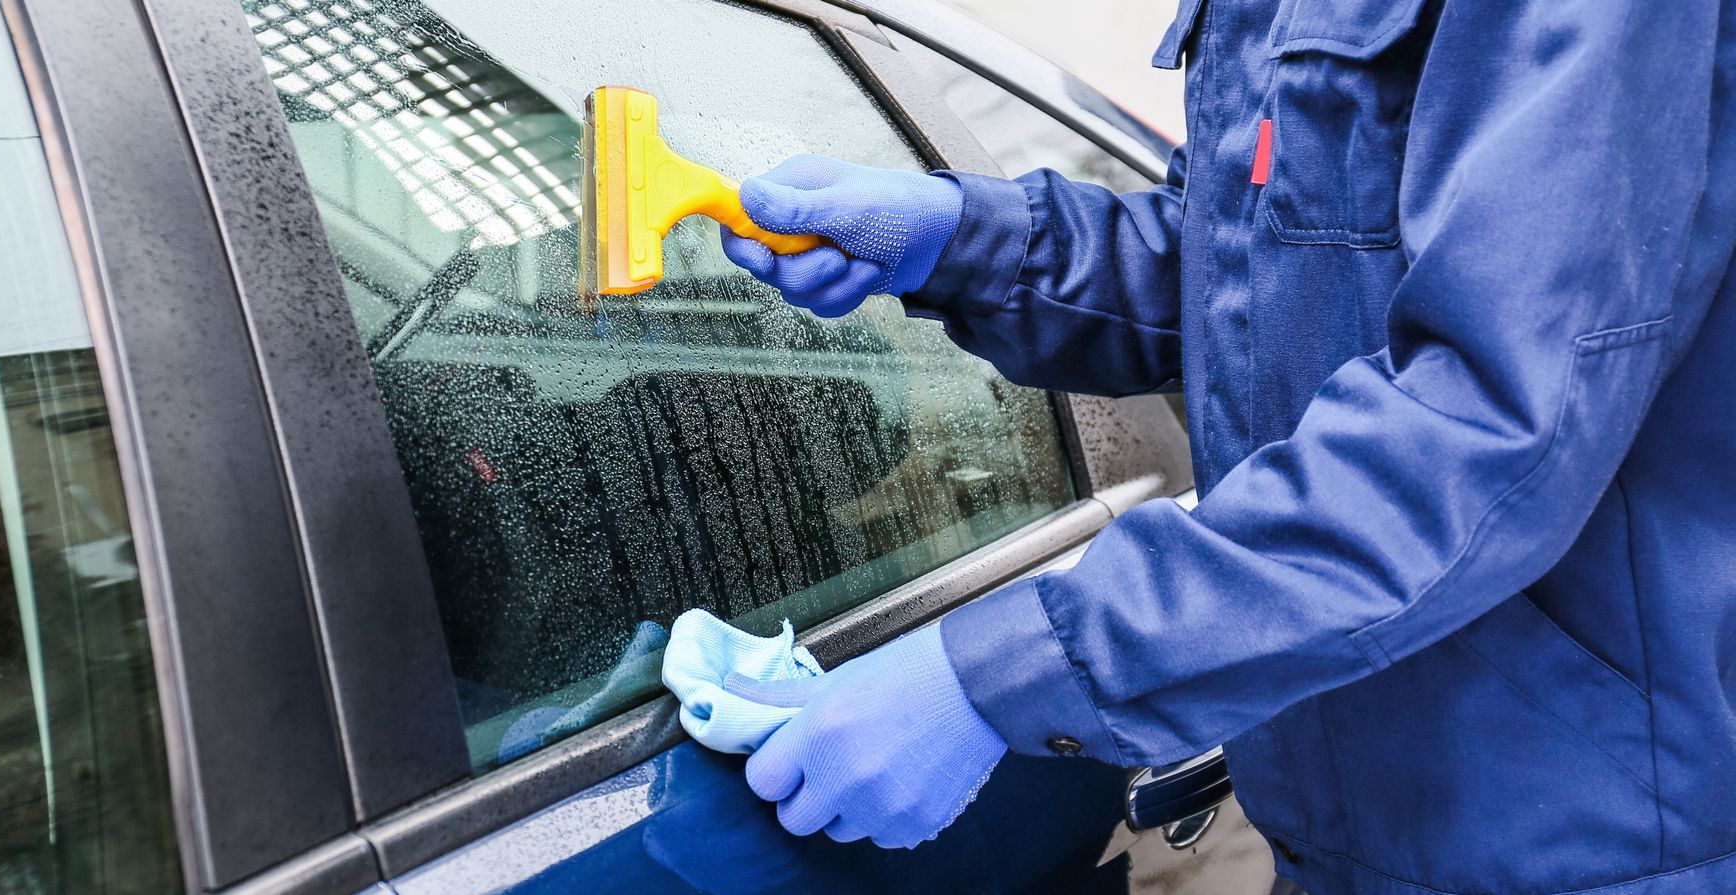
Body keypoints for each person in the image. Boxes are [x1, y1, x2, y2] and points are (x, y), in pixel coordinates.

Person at [709, 1, 1736, 892]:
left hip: (1572, 844)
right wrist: (965, 244)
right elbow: (1248, 279)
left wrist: (1010, 673)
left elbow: (1491, 422)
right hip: (1337, 830)